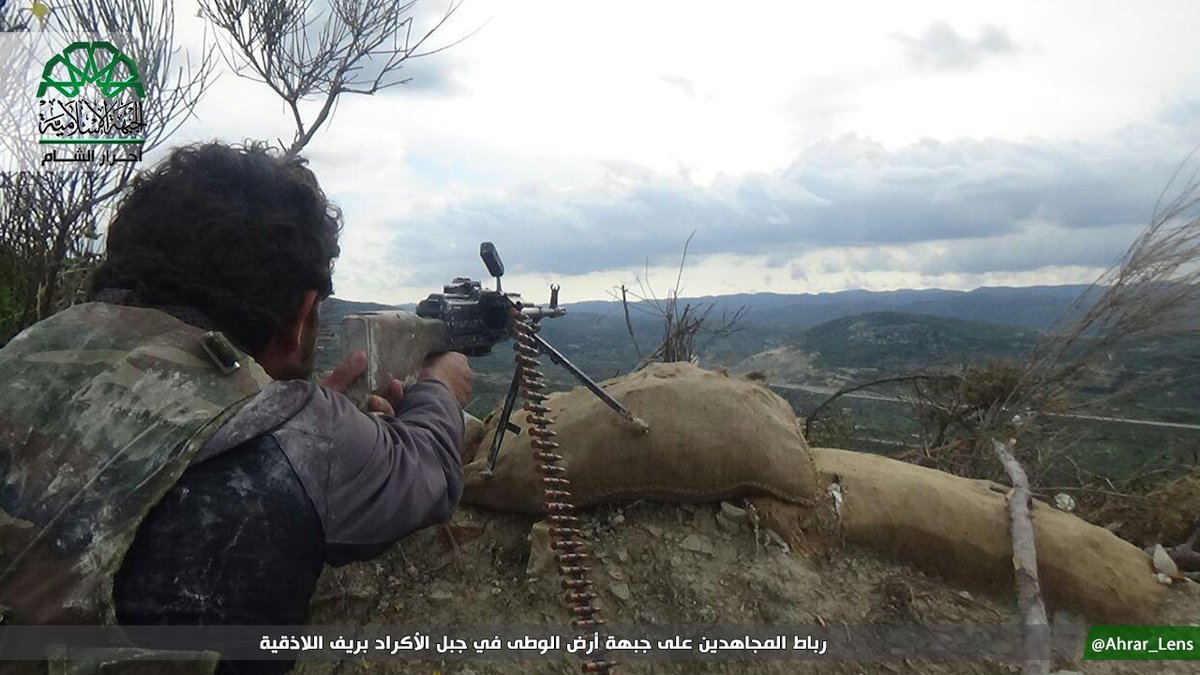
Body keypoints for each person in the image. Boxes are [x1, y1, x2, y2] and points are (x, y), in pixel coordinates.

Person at [0, 141, 472, 672]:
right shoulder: (299, 435)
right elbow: (424, 472)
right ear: (302, 315)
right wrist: (441, 385)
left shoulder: (26, 351)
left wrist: (293, 423)